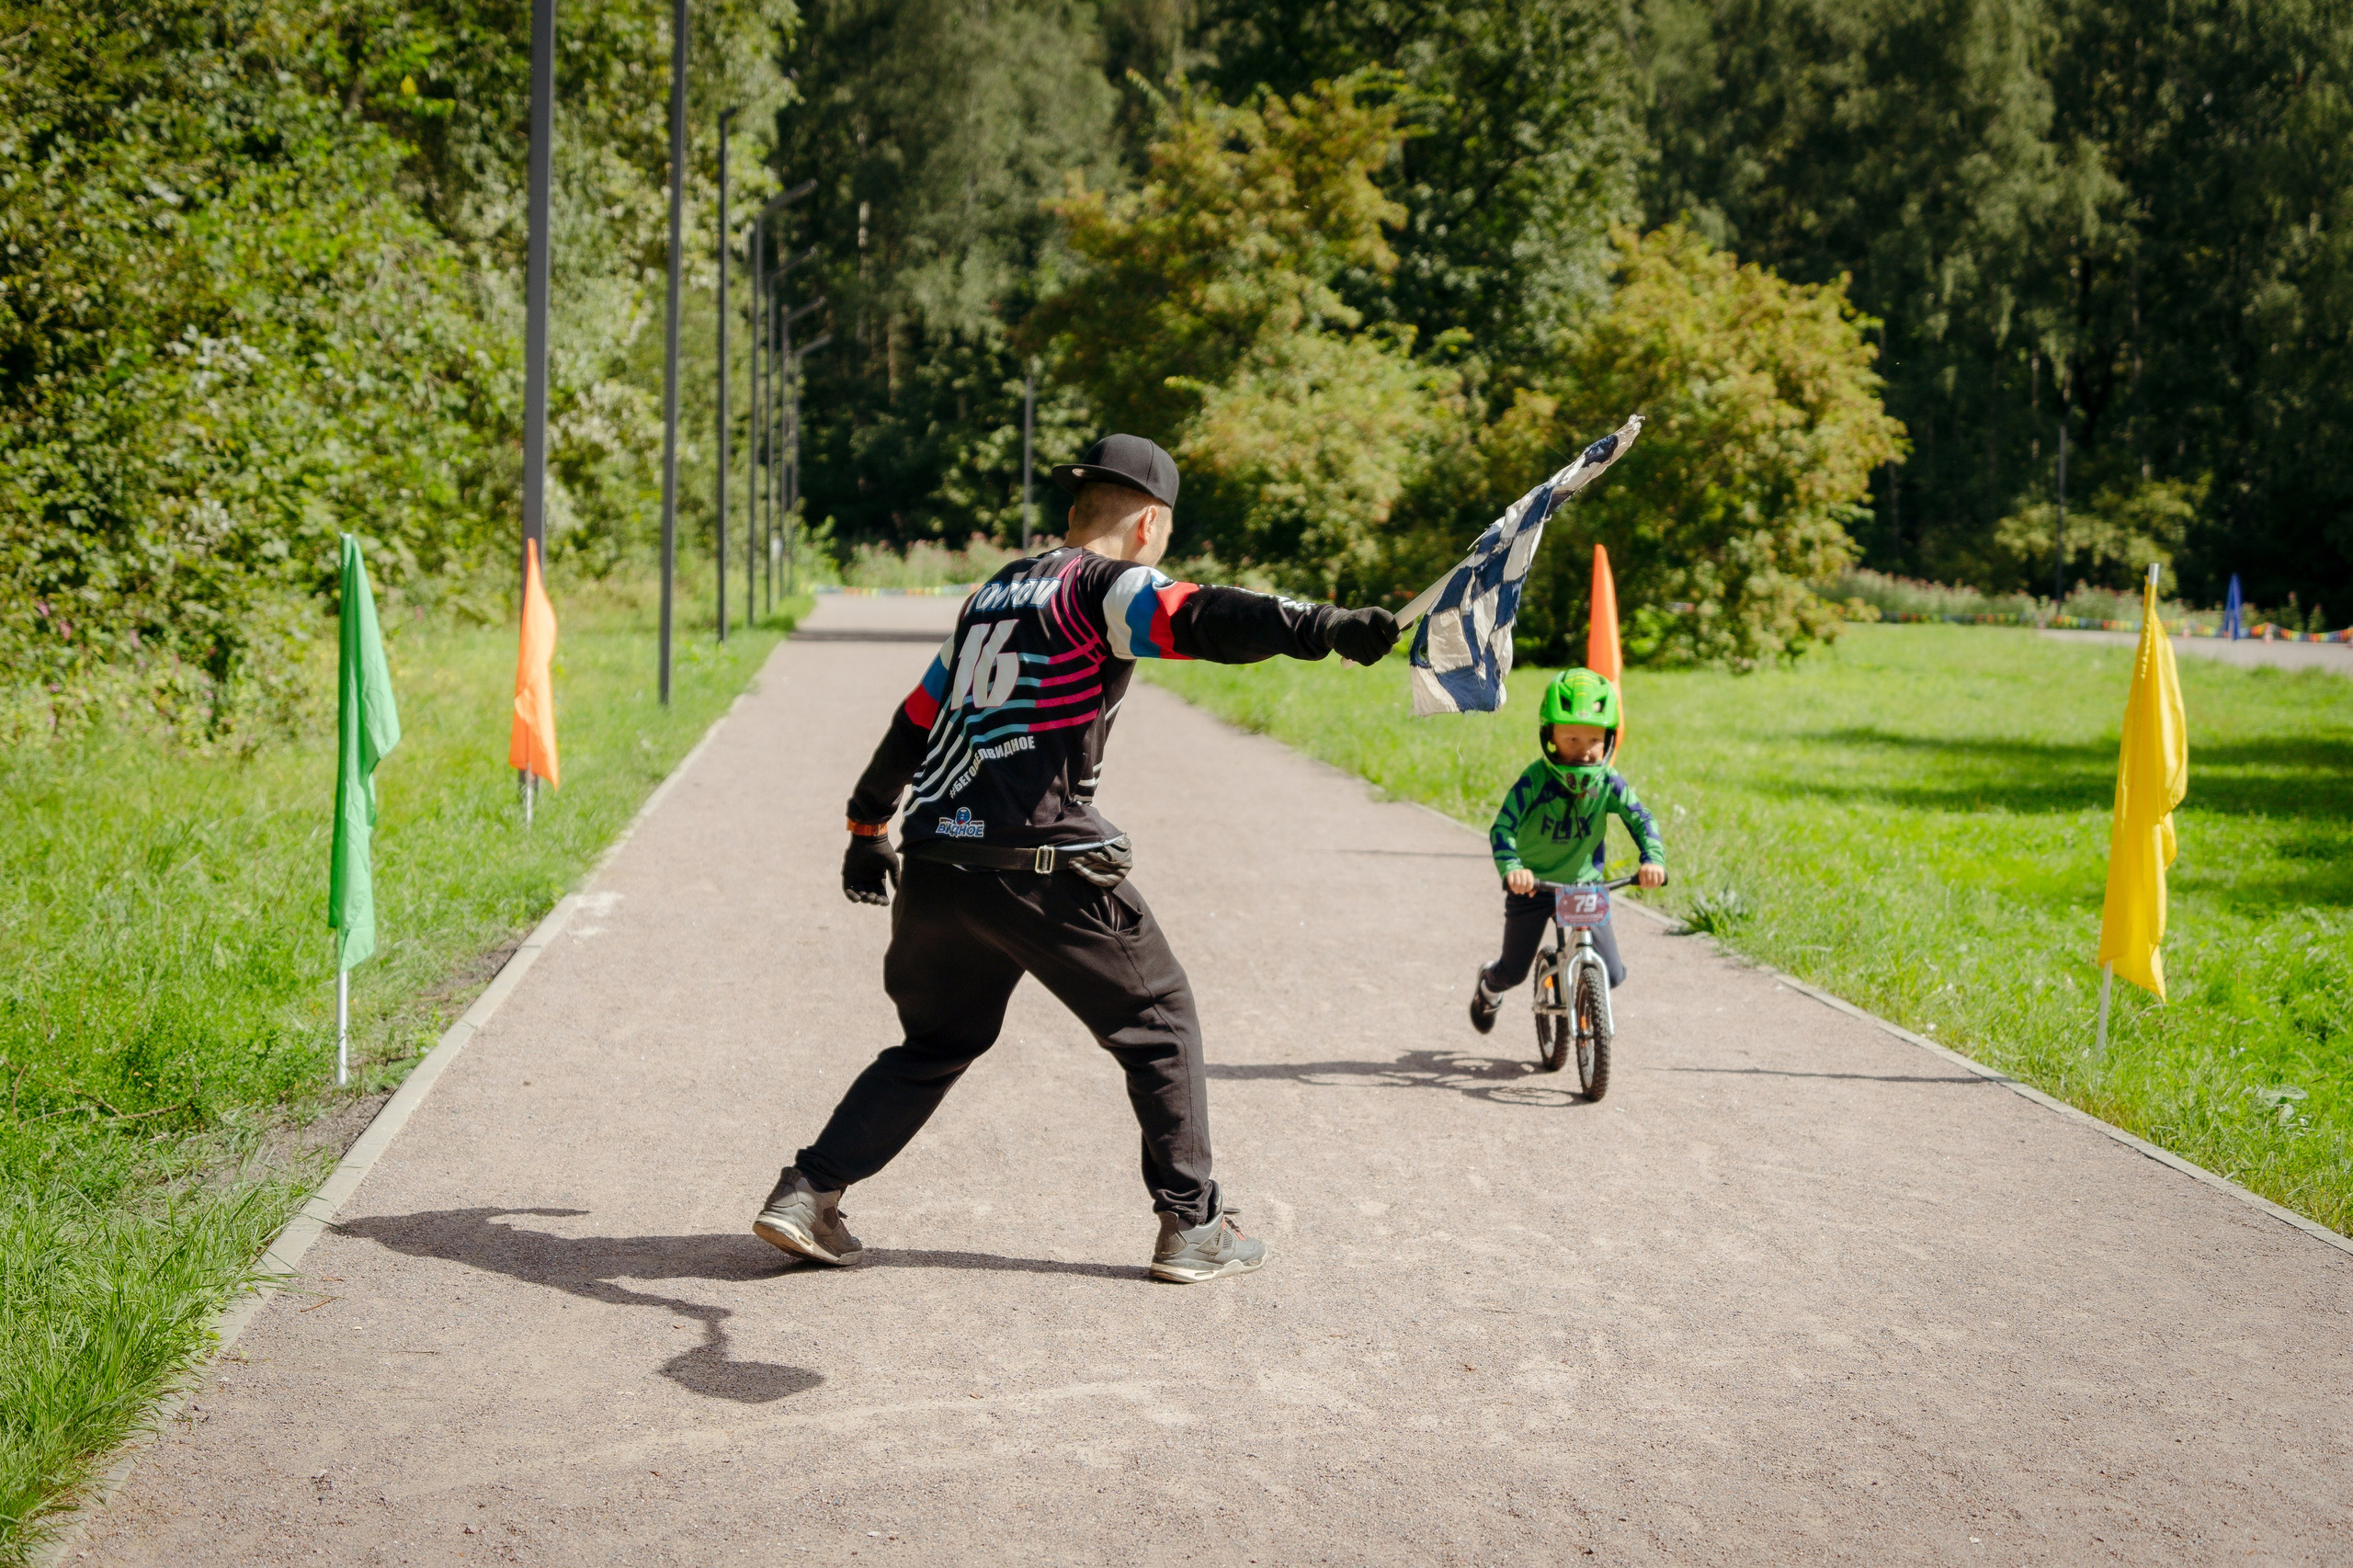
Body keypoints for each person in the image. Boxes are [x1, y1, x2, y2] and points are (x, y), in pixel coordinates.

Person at [754, 434, 1401, 1283]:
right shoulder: (1106, 585)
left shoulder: (991, 593)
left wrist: (867, 826)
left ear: (1074, 510)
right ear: (1149, 523)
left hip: (938, 868)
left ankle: (808, 1192)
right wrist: (1322, 627)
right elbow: (1199, 615)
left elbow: (919, 714)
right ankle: (1192, 1226)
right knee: (1162, 1024)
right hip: (1038, 866)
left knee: (936, 1041)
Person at [1469, 668, 1665, 1033]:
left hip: (1584, 887)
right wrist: (1513, 868)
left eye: (1594, 738)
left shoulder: (1608, 782)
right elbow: (1503, 828)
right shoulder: (1536, 779)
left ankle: (1582, 1002)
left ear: (1609, 739)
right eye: (1571, 737)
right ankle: (1488, 988)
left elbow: (1641, 818)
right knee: (1512, 971)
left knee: (1613, 973)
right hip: (1532, 887)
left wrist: (1652, 859)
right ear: (1550, 736)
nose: (1584, 749)